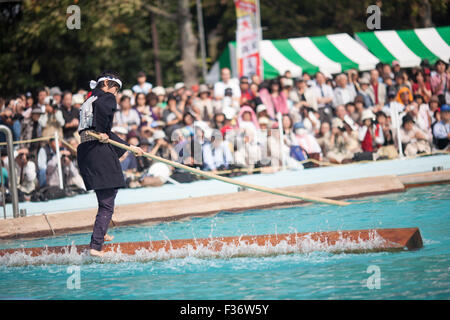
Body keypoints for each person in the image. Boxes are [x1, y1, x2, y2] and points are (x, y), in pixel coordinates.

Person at [77, 71, 143, 257]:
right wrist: (102, 130)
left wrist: (130, 147)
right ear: (106, 83)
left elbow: (98, 131)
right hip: (97, 149)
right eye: (115, 88)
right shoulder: (105, 97)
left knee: (106, 195)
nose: (116, 93)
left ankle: (101, 231)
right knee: (107, 202)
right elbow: (103, 125)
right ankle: (96, 247)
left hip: (86, 149)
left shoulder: (88, 100)